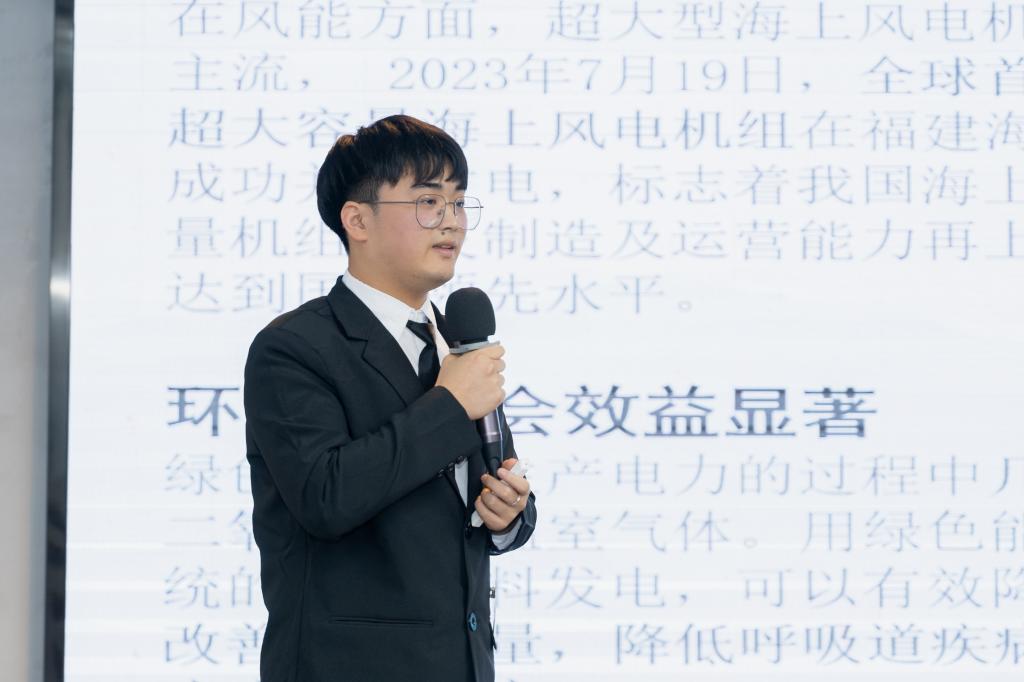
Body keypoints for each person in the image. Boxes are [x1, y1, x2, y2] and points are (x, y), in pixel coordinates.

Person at [242, 114, 537, 682]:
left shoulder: (456, 340)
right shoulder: (294, 347)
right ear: (358, 220)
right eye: (428, 202)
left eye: (458, 203)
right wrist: (449, 405)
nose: (450, 221)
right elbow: (325, 497)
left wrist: (509, 515)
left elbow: (485, 486)